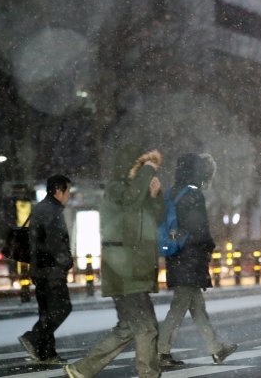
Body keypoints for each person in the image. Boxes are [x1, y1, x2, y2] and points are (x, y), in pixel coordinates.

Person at [65, 146, 164, 378]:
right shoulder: (116, 189)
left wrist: (155, 196)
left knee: (128, 328)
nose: (143, 173)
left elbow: (156, 219)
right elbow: (130, 201)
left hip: (134, 270)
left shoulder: (137, 193)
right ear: (129, 167)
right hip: (123, 270)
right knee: (146, 327)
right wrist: (148, 171)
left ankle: (82, 370)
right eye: (139, 167)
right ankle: (149, 375)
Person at [158, 153, 238, 367]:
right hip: (190, 258)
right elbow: (199, 230)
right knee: (178, 307)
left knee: (197, 308)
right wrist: (209, 246)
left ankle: (216, 349)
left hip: (176, 256)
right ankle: (161, 352)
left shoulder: (171, 193)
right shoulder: (193, 195)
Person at [19, 174, 73, 364]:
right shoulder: (53, 211)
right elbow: (55, 242)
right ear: (59, 191)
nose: (68, 195)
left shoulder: (40, 208)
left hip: (39, 269)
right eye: (68, 191)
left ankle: (46, 353)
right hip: (52, 270)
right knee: (63, 307)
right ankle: (33, 338)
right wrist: (66, 261)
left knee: (47, 310)